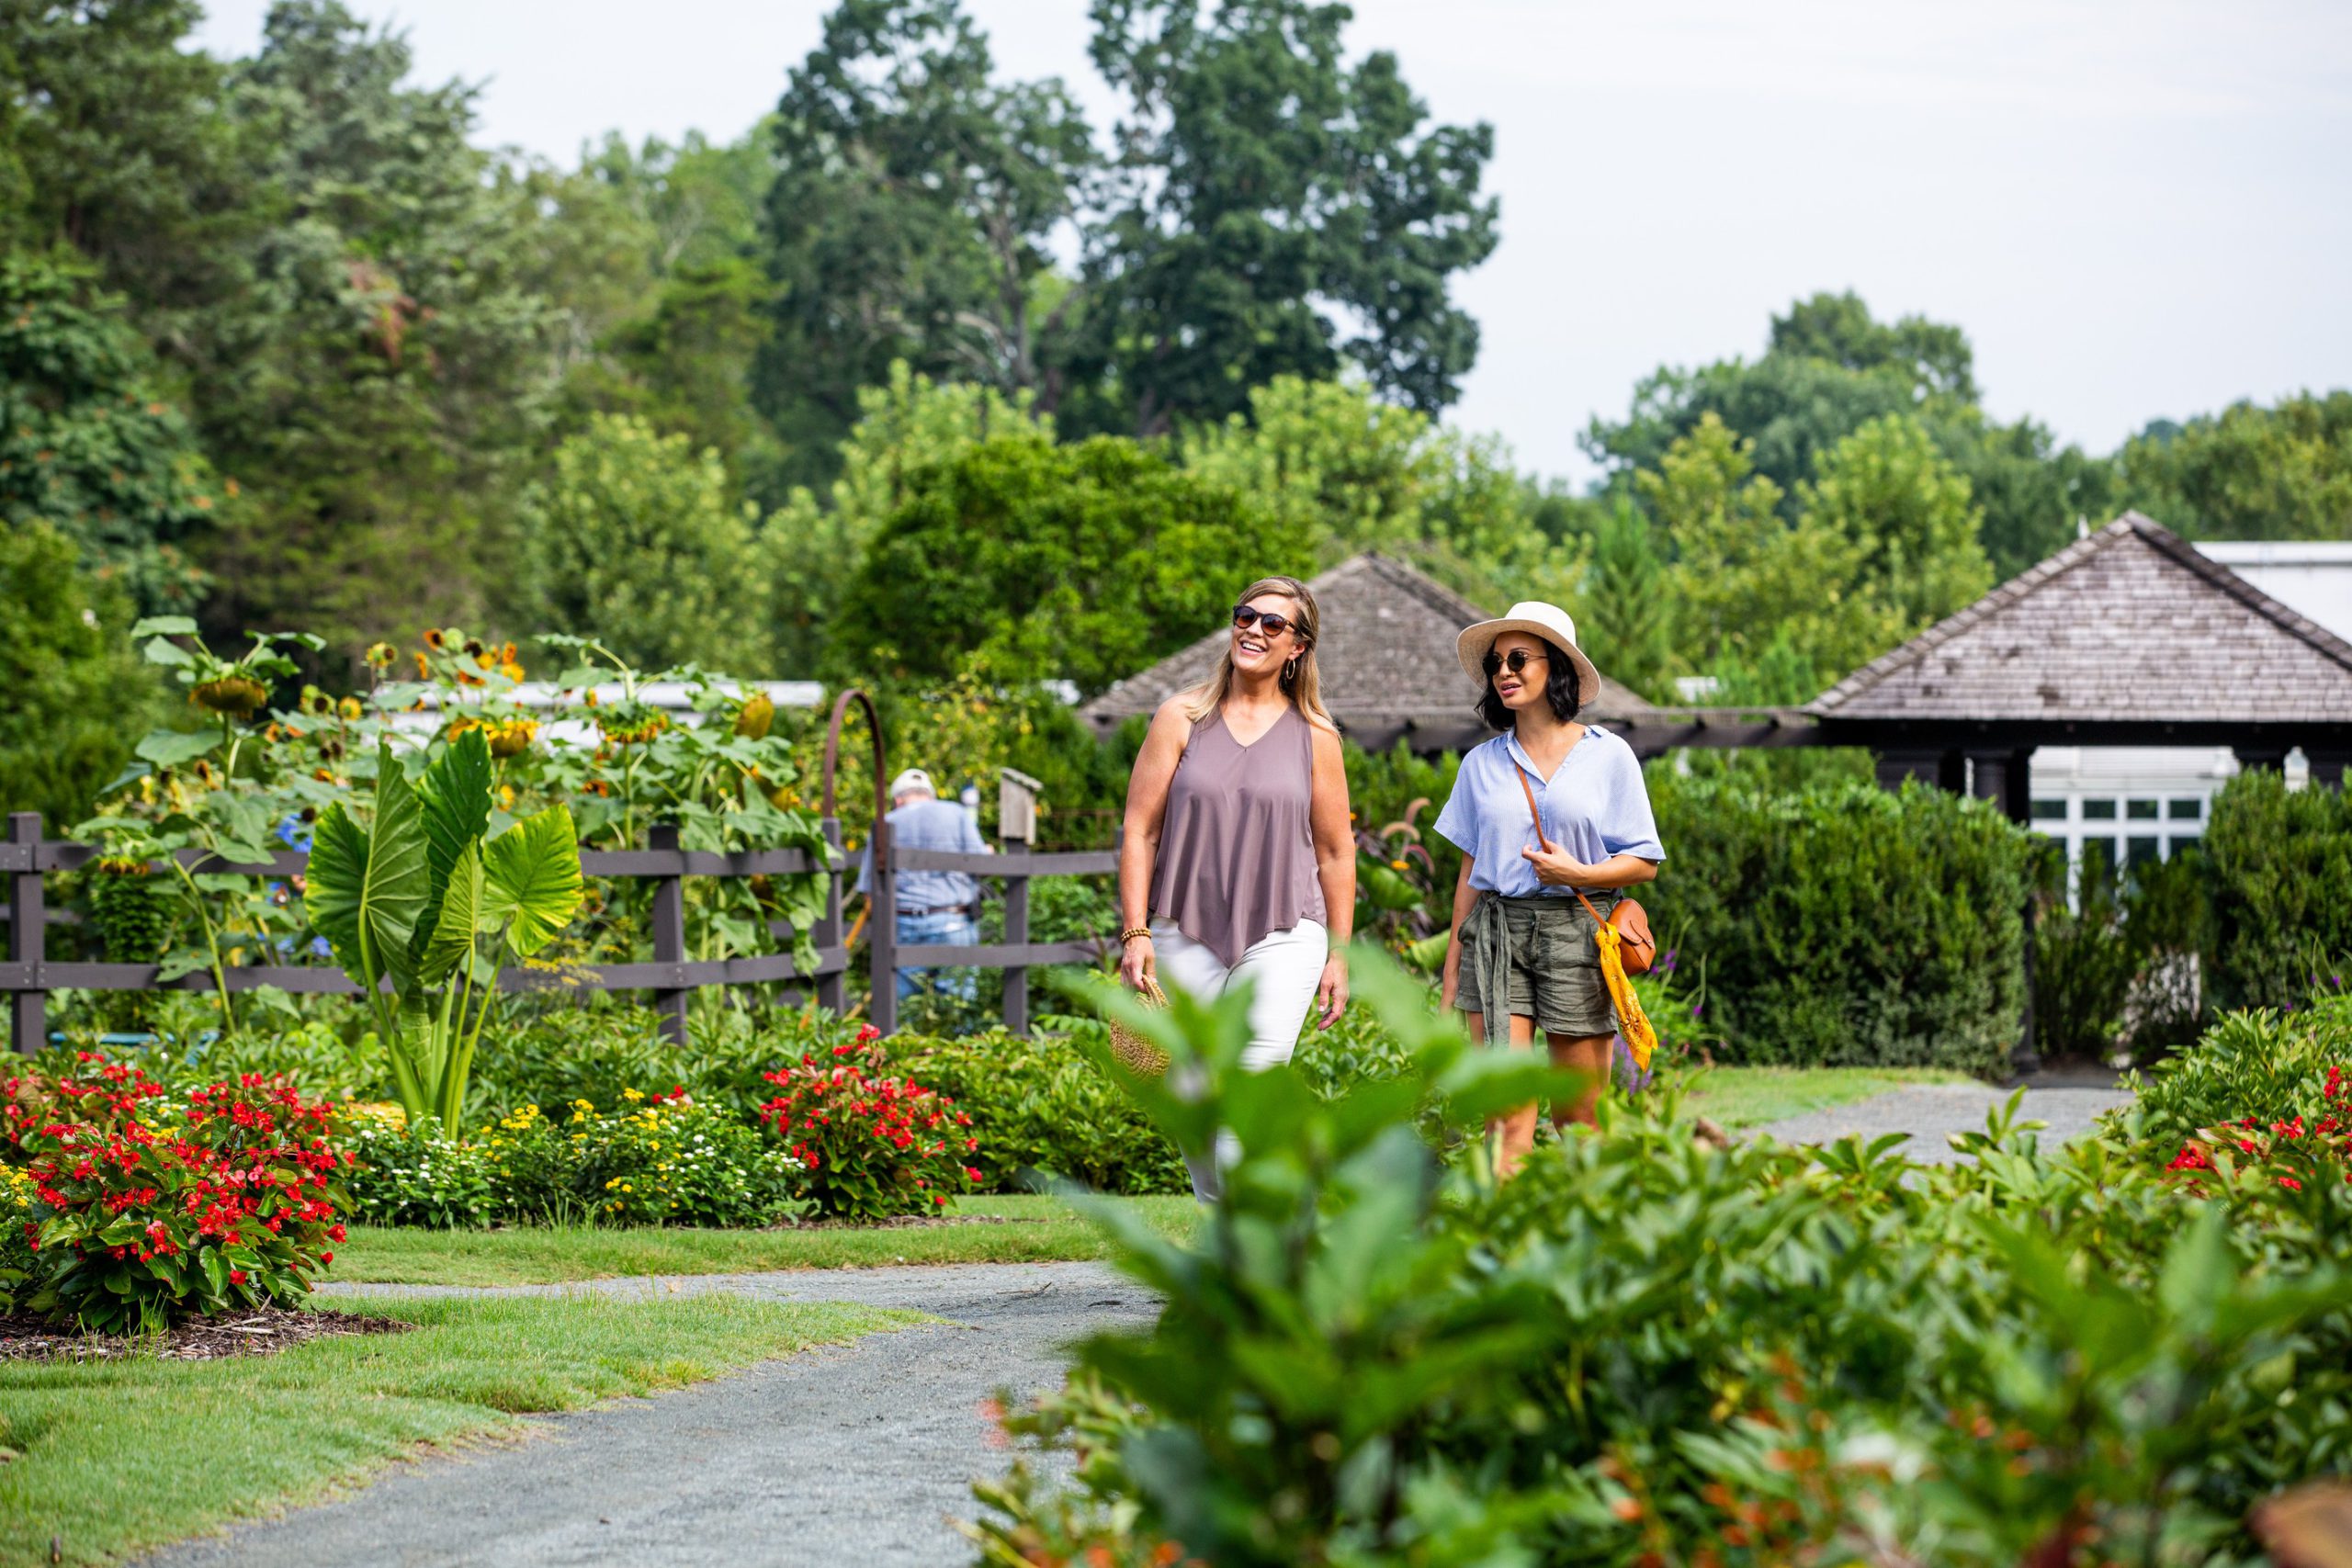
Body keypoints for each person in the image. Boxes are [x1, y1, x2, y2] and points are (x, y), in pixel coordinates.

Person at [1117, 576, 1357, 1201]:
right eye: (1245, 616)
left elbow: (1335, 851)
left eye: (1272, 623)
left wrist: (1339, 951)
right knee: (1194, 1105)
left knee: (1245, 1094)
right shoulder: (1182, 717)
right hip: (1180, 930)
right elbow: (1139, 830)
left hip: (1286, 931)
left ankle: (1258, 1262)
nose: (1253, 629)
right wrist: (1135, 931)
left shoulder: (1317, 736)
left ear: (1298, 646)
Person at [1435, 602, 1664, 1178]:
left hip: (1578, 935)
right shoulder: (1479, 766)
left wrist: (1580, 875)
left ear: (1556, 666)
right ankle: (1504, 1252)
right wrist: (1449, 973)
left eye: (1518, 659)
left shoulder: (1608, 755)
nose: (1504, 672)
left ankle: (1584, 1247)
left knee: (1580, 1118)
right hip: (1495, 935)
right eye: (1495, 663)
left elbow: (1644, 861)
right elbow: (1470, 871)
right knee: (1505, 1114)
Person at [858, 767, 990, 1003]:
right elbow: (980, 865)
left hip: (903, 924)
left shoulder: (884, 823)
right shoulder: (957, 814)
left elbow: (870, 892)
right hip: (953, 922)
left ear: (898, 800)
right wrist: (988, 853)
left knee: (902, 1008)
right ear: (930, 795)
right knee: (958, 1006)